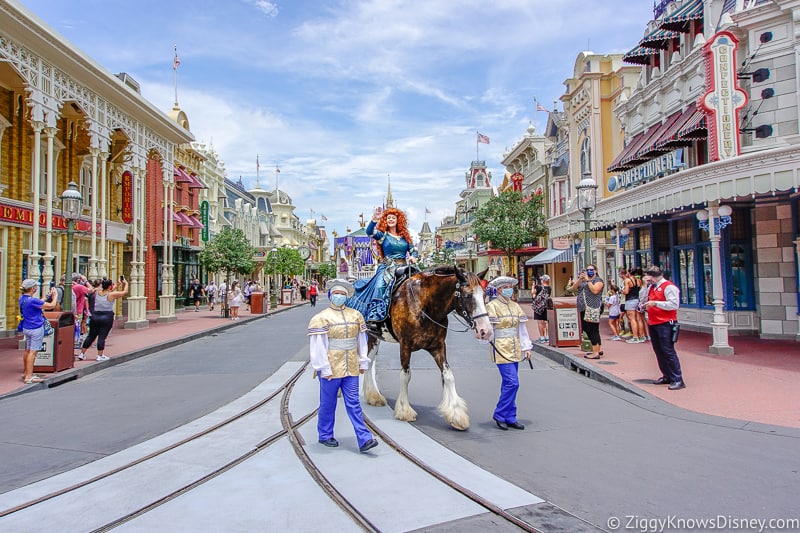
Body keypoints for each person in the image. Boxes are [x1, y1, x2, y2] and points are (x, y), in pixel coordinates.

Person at [308, 279, 378, 453]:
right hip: (331, 367)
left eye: (342, 294)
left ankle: (364, 438)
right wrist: (323, 368)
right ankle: (325, 434)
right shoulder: (322, 317)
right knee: (328, 403)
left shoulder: (355, 315)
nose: (339, 297)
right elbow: (318, 345)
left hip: (352, 365)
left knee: (354, 402)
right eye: (336, 294)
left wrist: (363, 361)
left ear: (346, 297)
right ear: (331, 295)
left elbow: (362, 340)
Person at [346, 206, 419, 332]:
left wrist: (414, 256)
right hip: (387, 267)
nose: (391, 219)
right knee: (380, 286)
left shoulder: (405, 237)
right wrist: (375, 219)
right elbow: (369, 232)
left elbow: (413, 250)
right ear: (385, 220)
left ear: (398, 220)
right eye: (388, 218)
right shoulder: (383, 235)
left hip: (404, 267)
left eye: (393, 218)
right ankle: (375, 318)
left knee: (420, 282)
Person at [485, 276, 532, 431]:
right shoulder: (492, 306)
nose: (509, 289)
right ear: (498, 289)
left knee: (509, 384)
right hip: (501, 347)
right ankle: (500, 413)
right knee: (513, 382)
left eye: (510, 286)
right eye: (506, 286)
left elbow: (521, 329)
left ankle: (510, 417)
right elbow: (488, 329)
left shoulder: (515, 306)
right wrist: (487, 339)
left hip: (514, 346)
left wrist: (526, 347)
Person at [643, 266, 685, 390]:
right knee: (659, 351)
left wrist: (656, 303)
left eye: (648, 277)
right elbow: (645, 299)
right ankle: (667, 375)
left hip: (666, 323)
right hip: (653, 322)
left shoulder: (669, 287)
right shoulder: (651, 287)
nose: (647, 279)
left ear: (652, 276)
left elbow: (674, 304)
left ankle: (677, 378)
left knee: (668, 351)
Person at [77, 276, 128, 362]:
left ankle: (82, 353)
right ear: (109, 286)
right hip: (106, 317)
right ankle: (100, 355)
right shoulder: (111, 295)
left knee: (91, 336)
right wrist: (125, 283)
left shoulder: (97, 292)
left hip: (95, 316)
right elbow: (124, 292)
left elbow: (107, 290)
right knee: (102, 336)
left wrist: (117, 284)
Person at [19, 279, 59, 384]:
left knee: (27, 350)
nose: (36, 288)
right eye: (35, 286)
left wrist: (47, 296)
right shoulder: (32, 300)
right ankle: (29, 376)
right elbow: (51, 306)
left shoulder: (23, 299)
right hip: (36, 328)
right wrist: (55, 296)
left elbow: (38, 303)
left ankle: (25, 372)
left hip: (26, 327)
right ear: (33, 288)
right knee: (33, 352)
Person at [571, 264, 605, 359]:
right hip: (583, 308)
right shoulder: (583, 281)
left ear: (596, 271)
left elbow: (595, 290)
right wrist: (580, 279)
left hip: (592, 307)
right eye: (587, 270)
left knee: (592, 329)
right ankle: (597, 348)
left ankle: (596, 352)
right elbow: (574, 288)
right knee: (586, 329)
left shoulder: (598, 281)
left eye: (591, 269)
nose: (589, 271)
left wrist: (588, 280)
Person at [622, 267, 646, 344]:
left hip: (630, 300)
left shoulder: (627, 280)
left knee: (632, 319)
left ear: (629, 273)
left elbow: (626, 291)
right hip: (637, 299)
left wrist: (621, 291)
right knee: (639, 319)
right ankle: (641, 336)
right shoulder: (638, 280)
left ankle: (635, 337)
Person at [531, 274, 551, 343]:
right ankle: (548, 336)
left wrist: (533, 286)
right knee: (546, 322)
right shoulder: (549, 288)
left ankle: (542, 337)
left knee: (540, 322)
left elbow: (533, 294)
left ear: (543, 280)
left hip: (538, 307)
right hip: (545, 306)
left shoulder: (538, 287)